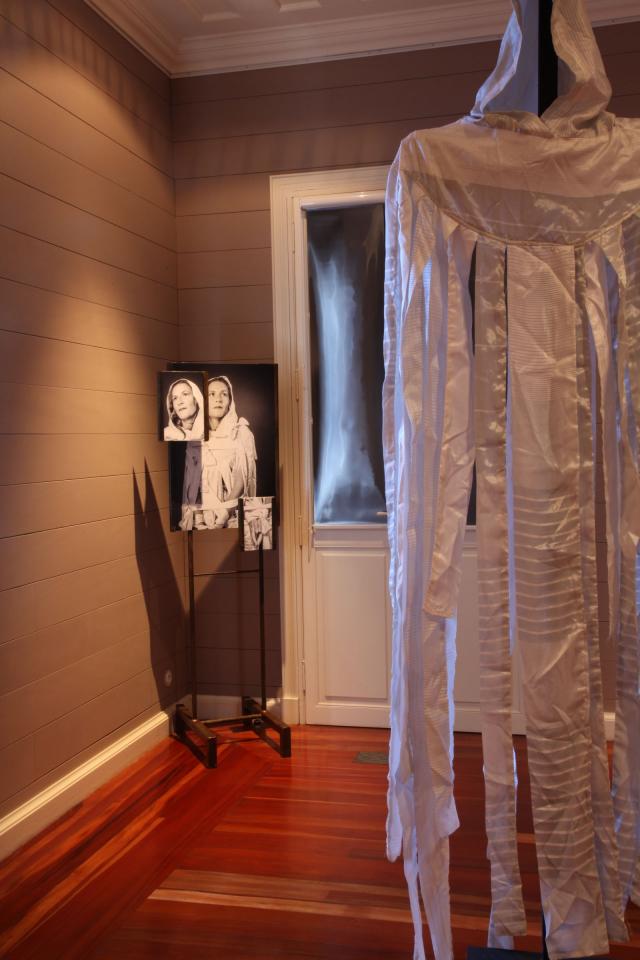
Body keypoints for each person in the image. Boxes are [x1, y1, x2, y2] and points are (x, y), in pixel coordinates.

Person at [179, 375, 257, 531]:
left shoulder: (241, 434)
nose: (218, 399)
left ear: (230, 401)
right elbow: (191, 484)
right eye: (212, 394)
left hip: (230, 516)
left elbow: (242, 480)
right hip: (201, 518)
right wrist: (198, 518)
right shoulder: (196, 438)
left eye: (224, 394)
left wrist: (223, 515)